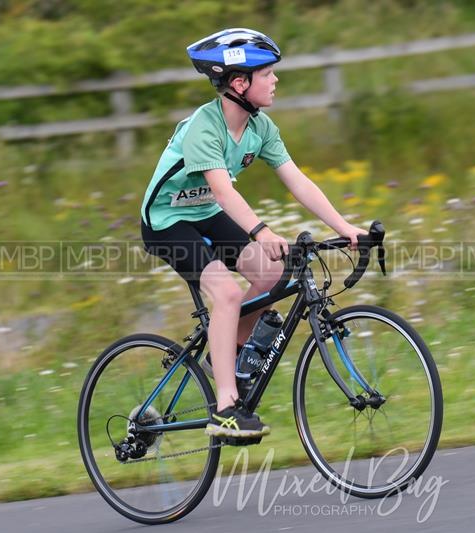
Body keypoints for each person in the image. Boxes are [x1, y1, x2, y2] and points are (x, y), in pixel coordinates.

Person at [140, 28, 367, 439]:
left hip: (204, 213)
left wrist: (345, 227)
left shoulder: (261, 128)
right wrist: (262, 231)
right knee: (226, 293)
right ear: (240, 83)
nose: (276, 80)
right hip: (167, 221)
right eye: (268, 74)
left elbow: (297, 181)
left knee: (273, 275)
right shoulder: (204, 128)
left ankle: (220, 356)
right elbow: (225, 191)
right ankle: (224, 409)